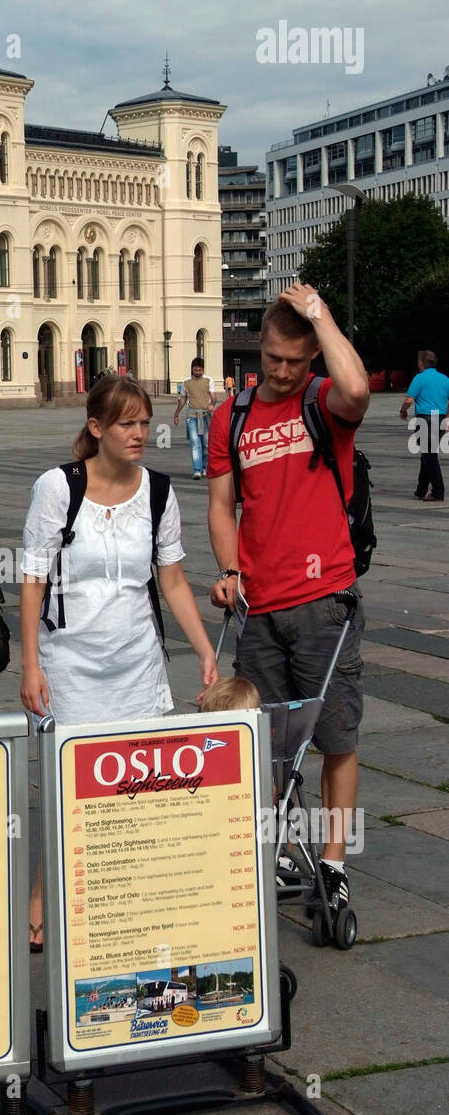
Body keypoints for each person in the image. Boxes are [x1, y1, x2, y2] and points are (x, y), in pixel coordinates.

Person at [21, 372, 219, 948]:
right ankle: (41, 898)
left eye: (144, 422)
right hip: (70, 665)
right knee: (67, 791)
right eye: (128, 423)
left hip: (137, 663)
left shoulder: (159, 491)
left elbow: (174, 581)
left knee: (138, 793)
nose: (140, 433)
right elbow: (32, 580)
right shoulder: (58, 488)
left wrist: (204, 648)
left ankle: (124, 905)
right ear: (97, 427)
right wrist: (29, 665)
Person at [207, 284, 369, 929]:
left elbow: (356, 389)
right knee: (264, 742)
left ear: (311, 361)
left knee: (334, 738)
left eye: (294, 361)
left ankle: (332, 860)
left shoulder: (323, 403)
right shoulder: (233, 415)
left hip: (324, 600)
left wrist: (320, 314)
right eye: (271, 358)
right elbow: (223, 504)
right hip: (259, 606)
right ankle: (273, 849)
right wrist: (228, 569)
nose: (279, 371)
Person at [399, 349, 449, 502]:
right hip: (439, 419)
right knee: (427, 456)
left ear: (421, 363)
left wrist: (403, 411)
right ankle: (421, 490)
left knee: (429, 456)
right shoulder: (445, 379)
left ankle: (438, 491)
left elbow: (409, 400)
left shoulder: (419, 378)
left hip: (425, 420)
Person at [173, 357, 217, 478]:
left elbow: (213, 395)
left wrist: (212, 404)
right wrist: (176, 414)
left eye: (199, 370)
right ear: (192, 370)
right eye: (195, 370)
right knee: (195, 442)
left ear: (202, 370)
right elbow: (182, 399)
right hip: (191, 416)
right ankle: (197, 470)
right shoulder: (186, 382)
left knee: (206, 444)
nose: (197, 372)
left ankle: (204, 468)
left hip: (205, 415)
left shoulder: (209, 380)